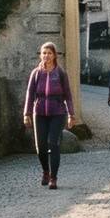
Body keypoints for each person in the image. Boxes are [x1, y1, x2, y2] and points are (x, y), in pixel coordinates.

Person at [23, 41, 77, 187]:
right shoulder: (36, 73)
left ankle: (54, 178)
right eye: (44, 53)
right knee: (40, 146)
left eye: (49, 53)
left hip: (58, 113)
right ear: (40, 55)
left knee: (53, 143)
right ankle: (45, 171)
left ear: (54, 56)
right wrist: (26, 113)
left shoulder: (60, 73)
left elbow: (68, 95)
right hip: (39, 112)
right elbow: (30, 94)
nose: (46, 56)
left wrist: (72, 115)